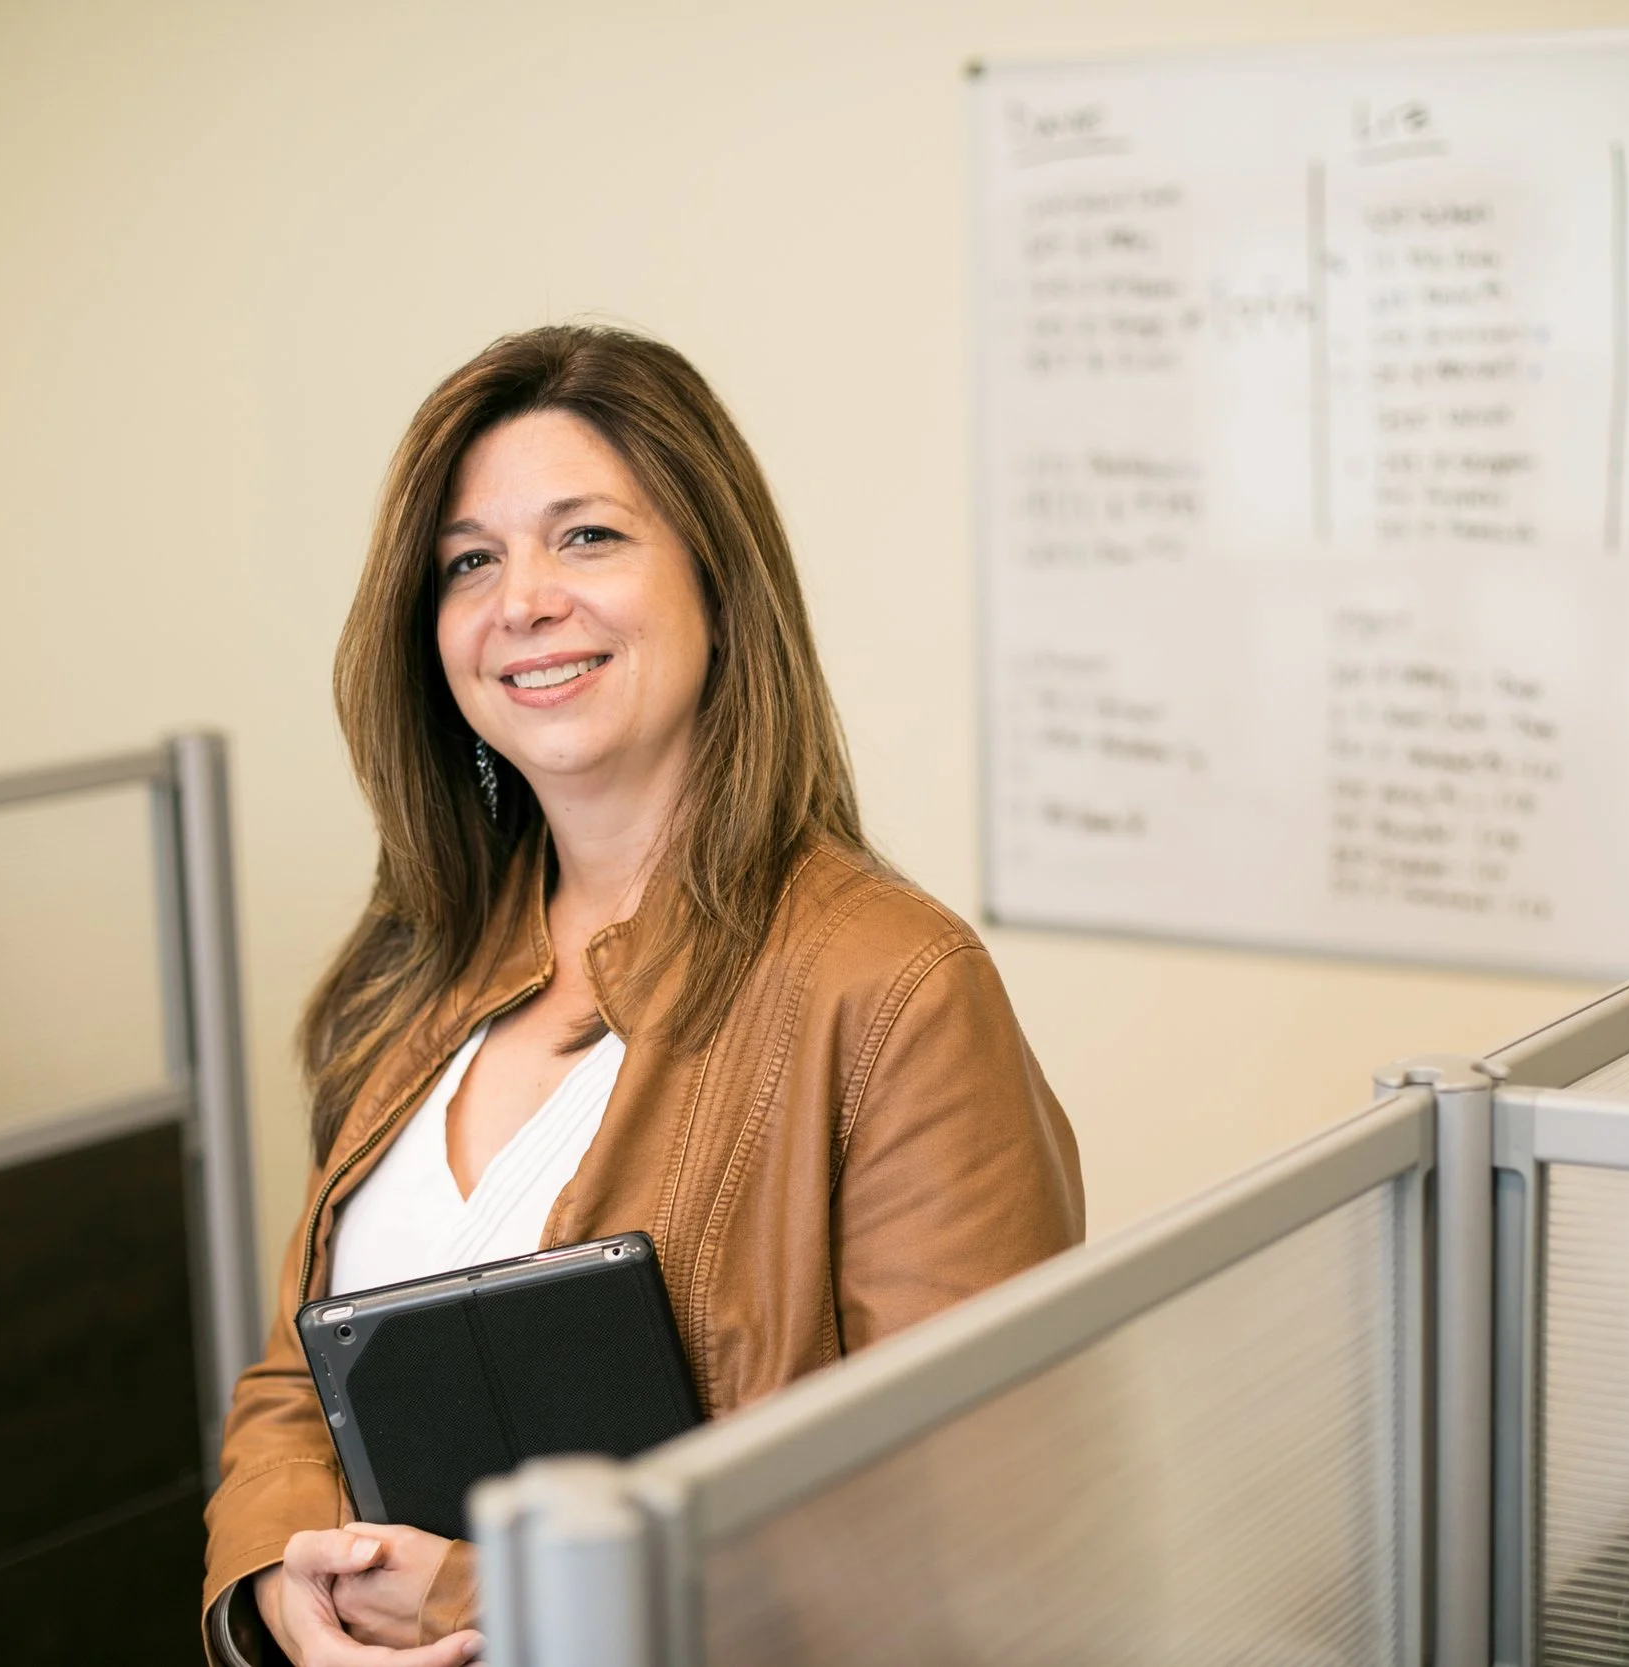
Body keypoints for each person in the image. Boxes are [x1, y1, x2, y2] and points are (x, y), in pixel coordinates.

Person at [202, 325, 1083, 1665]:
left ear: (718, 583)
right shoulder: (411, 965)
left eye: (590, 537)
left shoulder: (892, 985)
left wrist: (506, 1598)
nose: (524, 600)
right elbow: (294, 1386)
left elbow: (972, 1517)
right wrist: (282, 1590)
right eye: (471, 560)